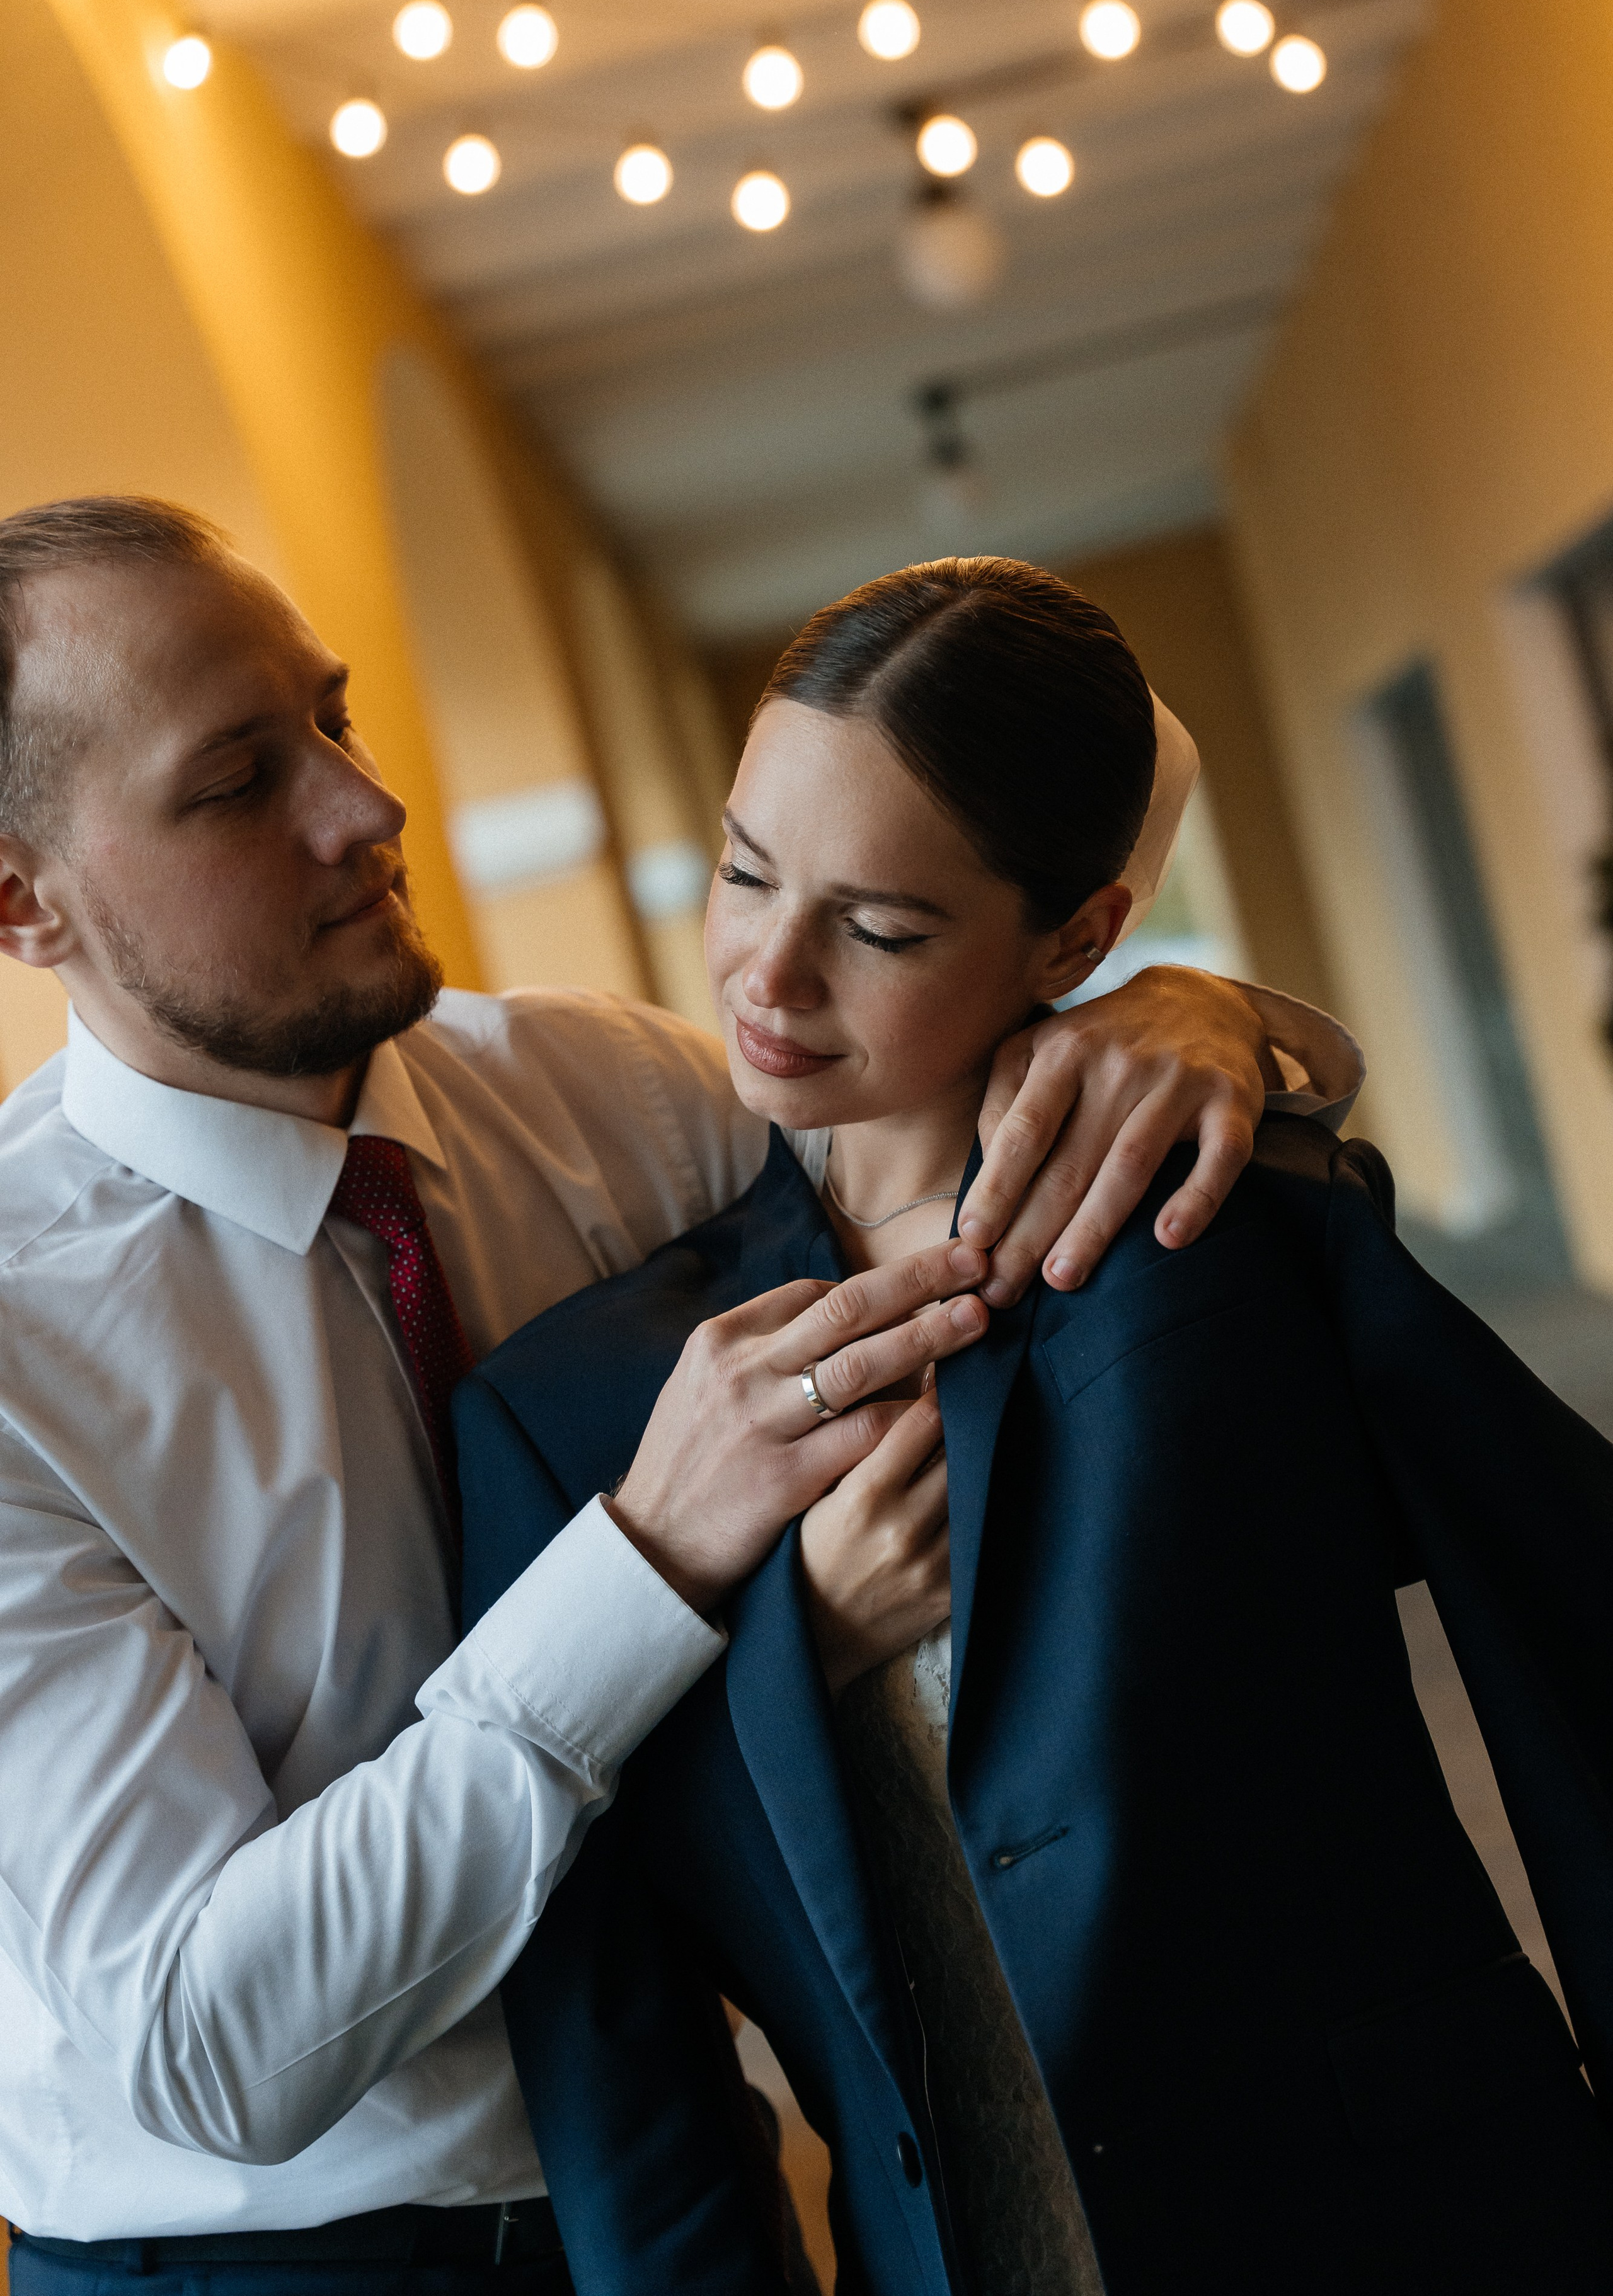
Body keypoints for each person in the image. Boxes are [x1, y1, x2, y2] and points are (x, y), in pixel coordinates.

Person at [0, 500, 1361, 2295]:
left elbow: (948, 1057)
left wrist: (1202, 1017)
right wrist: (653, 1563)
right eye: (243, 779)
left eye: (333, 716)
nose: (364, 804)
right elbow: (208, 2049)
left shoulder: (603, 1098)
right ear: (24, 901)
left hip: (686, 2173)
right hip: (278, 2261)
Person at [459, 558, 1613, 2296]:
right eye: (746, 872)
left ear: (1076, 936)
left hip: (1423, 2230)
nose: (768, 975)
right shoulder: (577, 1408)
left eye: (883, 927)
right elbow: (615, 2030)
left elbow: (1573, 1634)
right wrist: (800, 1635)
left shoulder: (1228, 1243)